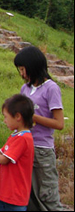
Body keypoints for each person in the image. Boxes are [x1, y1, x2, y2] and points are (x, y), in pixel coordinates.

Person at [14, 46, 65, 211]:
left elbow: (59, 123)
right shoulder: (25, 89)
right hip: (24, 146)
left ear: (33, 66)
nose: (21, 73)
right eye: (19, 70)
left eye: (23, 69)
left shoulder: (51, 88)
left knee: (47, 195)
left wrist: (33, 117)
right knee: (29, 197)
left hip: (42, 149)